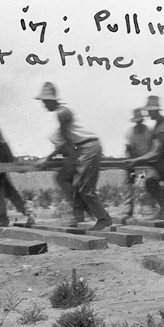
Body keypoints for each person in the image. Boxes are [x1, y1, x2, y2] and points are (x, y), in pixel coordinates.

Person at [34, 82, 112, 230]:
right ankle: (79, 214)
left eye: (45, 102)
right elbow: (65, 143)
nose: (44, 105)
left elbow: (64, 143)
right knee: (63, 177)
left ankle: (104, 219)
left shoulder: (62, 113)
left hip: (89, 147)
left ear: (51, 100)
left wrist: (47, 158)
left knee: (85, 189)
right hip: (82, 148)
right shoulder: (61, 112)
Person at [126, 96, 164, 222]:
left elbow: (155, 152)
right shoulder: (157, 124)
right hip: (161, 164)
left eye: (149, 111)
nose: (147, 114)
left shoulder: (163, 127)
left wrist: (136, 160)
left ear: (155, 111)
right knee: (150, 182)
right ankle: (163, 208)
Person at [123, 108, 153, 217]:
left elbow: (152, 148)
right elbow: (128, 148)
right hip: (134, 163)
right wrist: (130, 160)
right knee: (130, 182)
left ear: (142, 120)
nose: (139, 123)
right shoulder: (130, 132)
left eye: (140, 121)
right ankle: (129, 207)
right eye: (137, 121)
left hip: (146, 163)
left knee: (144, 183)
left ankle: (147, 207)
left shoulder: (149, 131)